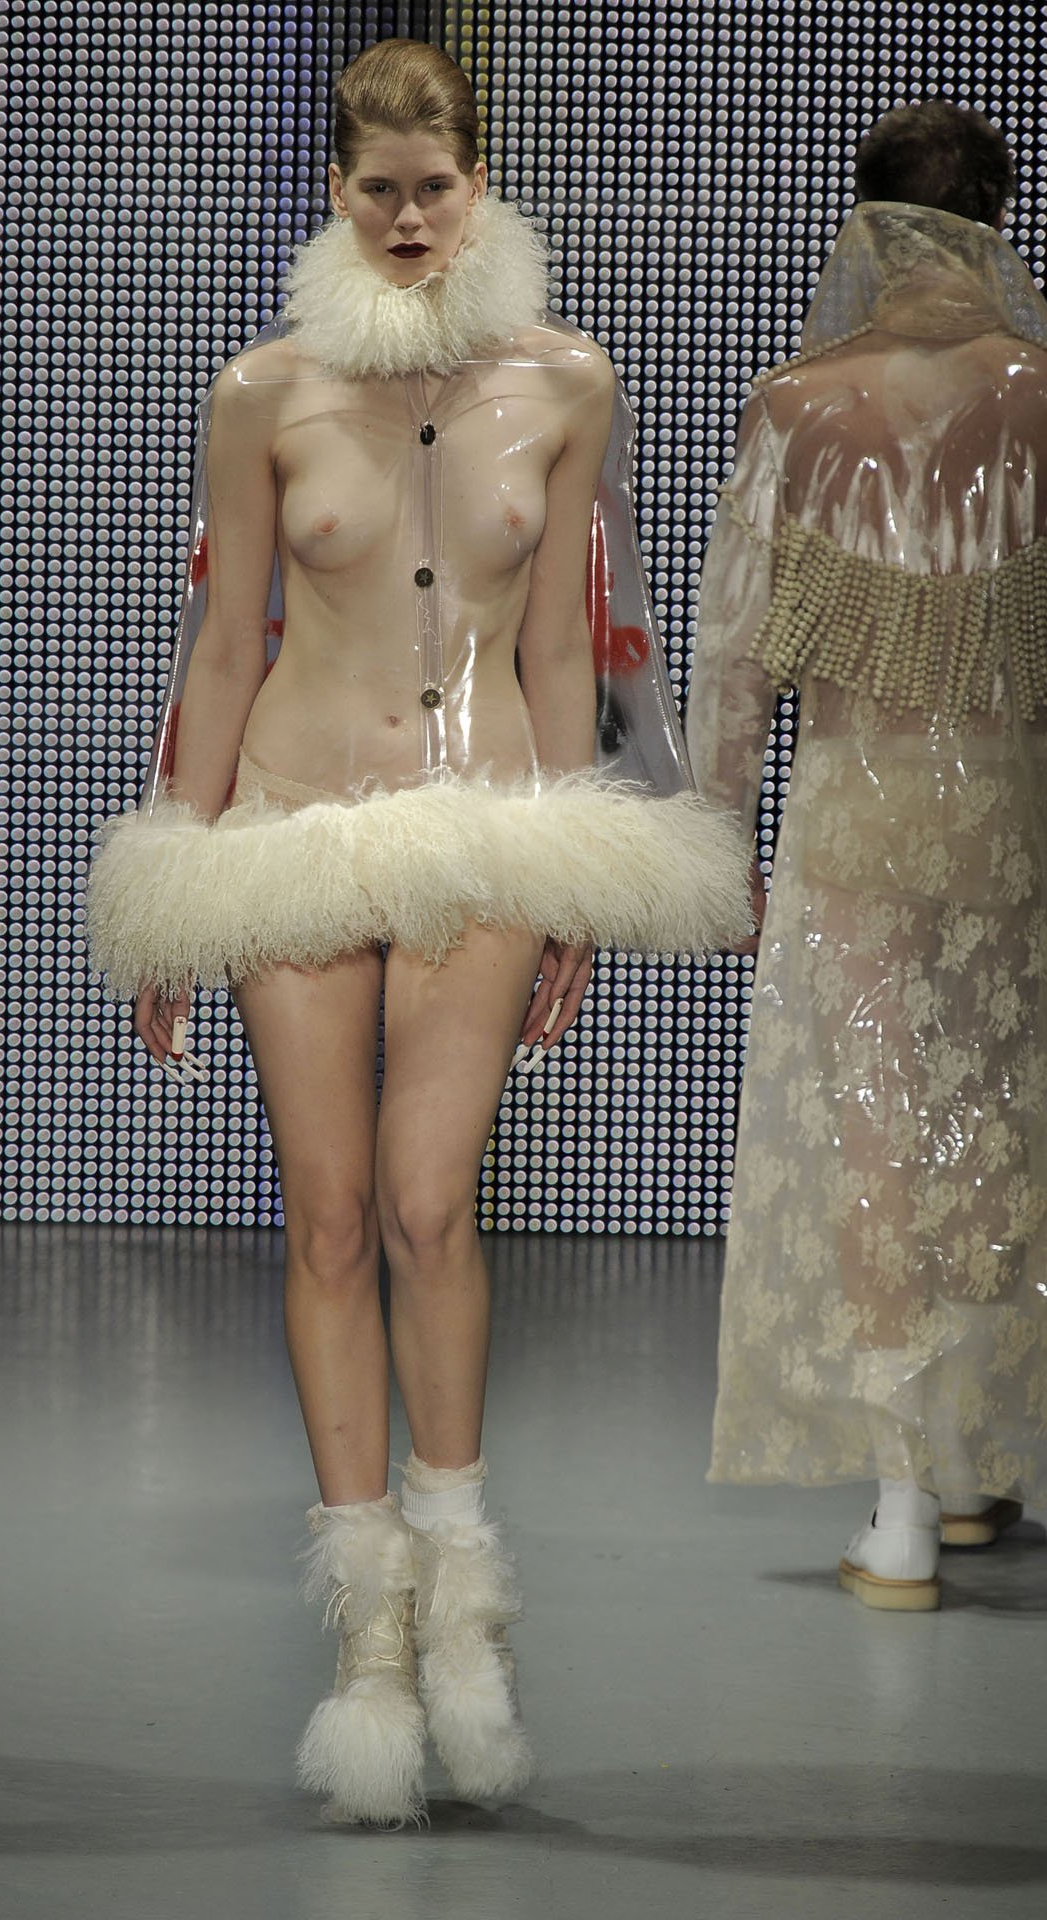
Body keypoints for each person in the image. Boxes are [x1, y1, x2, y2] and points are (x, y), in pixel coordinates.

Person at [88, 39, 747, 1823]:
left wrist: (579, 867)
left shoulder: (568, 381)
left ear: (480, 181)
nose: (404, 217)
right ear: (334, 189)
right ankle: (369, 1629)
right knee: (322, 1218)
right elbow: (226, 639)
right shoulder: (263, 393)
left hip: (484, 830)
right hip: (294, 831)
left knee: (425, 1204)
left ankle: (464, 1598)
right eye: (375, 188)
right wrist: (172, 887)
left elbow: (566, 645)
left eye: (432, 185)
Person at [687, 101, 1047, 1612]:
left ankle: (903, 1504)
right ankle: (968, 1467)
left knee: (880, 1134)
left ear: (874, 222)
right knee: (1000, 1121)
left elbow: (733, 648)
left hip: (852, 805)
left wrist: (720, 834)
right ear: (995, 218)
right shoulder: (1040, 395)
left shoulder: (795, 403)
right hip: (1012, 809)